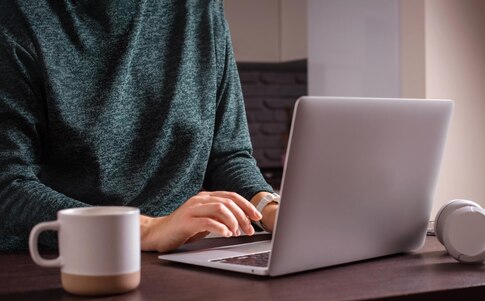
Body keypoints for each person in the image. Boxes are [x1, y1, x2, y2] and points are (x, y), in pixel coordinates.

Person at [0, 0, 278, 253]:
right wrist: (144, 230)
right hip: (59, 260)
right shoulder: (18, 14)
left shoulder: (200, 9)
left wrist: (270, 208)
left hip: (177, 256)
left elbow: (226, 155)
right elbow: (8, 185)